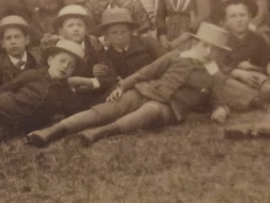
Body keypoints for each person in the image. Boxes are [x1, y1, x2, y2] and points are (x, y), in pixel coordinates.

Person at [26, 21, 232, 147]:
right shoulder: (177, 56)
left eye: (214, 49)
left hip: (170, 108)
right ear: (195, 42)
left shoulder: (214, 74)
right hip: (145, 91)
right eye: (205, 46)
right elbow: (145, 73)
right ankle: (53, 131)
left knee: (149, 111)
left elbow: (219, 100)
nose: (208, 52)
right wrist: (122, 87)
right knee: (110, 108)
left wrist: (220, 110)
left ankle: (98, 133)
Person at [216, 0, 270, 111]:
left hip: (252, 80)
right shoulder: (220, 40)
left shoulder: (259, 40)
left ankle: (267, 97)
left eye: (242, 15)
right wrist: (235, 72)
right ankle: (257, 101)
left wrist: (253, 67)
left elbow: (268, 64)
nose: (239, 20)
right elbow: (216, 65)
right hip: (231, 81)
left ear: (250, 17)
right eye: (233, 16)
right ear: (226, 20)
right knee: (224, 83)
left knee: (266, 84)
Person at [47, 5, 116, 99]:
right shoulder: (56, 48)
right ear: (61, 31)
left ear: (86, 29)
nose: (76, 29)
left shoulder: (95, 46)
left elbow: (111, 76)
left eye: (80, 25)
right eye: (70, 25)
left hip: (95, 95)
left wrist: (89, 82)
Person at [94, 7, 159, 79]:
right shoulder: (106, 56)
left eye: (124, 32)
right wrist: (98, 72)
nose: (119, 37)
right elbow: (109, 81)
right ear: (106, 35)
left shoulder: (147, 43)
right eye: (114, 33)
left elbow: (166, 62)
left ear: (130, 31)